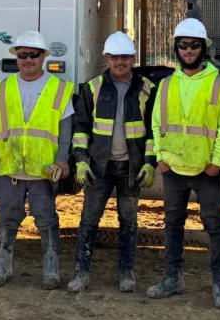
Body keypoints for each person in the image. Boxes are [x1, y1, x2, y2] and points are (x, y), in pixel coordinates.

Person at [147, 18, 220, 309]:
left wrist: (216, 162)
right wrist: (160, 158)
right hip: (172, 168)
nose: (188, 50)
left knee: (214, 226)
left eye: (193, 45)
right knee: (172, 224)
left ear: (203, 48)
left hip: (206, 170)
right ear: (176, 47)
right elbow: (157, 121)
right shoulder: (166, 84)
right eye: (183, 45)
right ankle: (172, 278)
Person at [67, 31, 157, 293]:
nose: (120, 62)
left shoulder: (147, 89)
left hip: (131, 168)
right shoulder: (92, 88)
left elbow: (153, 130)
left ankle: (126, 273)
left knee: (128, 221)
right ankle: (81, 273)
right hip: (99, 169)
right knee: (89, 220)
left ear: (133, 59)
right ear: (106, 59)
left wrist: (149, 162)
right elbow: (81, 128)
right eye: (115, 57)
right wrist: (81, 161)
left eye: (126, 57)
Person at [0, 30, 75, 290]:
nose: (28, 60)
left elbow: (65, 128)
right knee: (7, 217)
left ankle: (51, 271)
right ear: (17, 58)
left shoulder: (57, 88)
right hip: (10, 168)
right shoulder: (4, 87)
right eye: (23, 55)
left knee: (46, 218)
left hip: (42, 170)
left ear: (43, 57)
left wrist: (62, 160)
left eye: (33, 55)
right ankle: (2, 267)